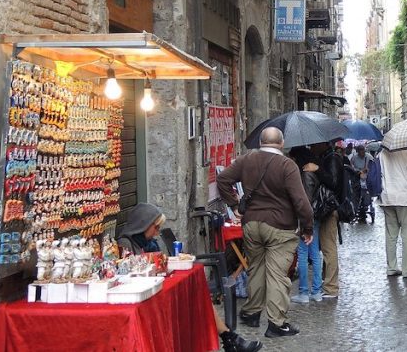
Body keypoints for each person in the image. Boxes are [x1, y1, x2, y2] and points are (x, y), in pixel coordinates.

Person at [118, 203, 262, 352]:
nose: (157, 233)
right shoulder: (126, 244)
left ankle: (229, 338)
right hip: (144, 295)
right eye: (155, 227)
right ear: (144, 225)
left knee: (198, 294)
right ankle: (230, 339)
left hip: (157, 288)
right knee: (194, 297)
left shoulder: (149, 243)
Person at [218, 127, 313, 338]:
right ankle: (277, 324)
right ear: (281, 143)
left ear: (261, 142)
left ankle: (252, 313)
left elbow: (223, 179)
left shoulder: (246, 160)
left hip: (252, 224)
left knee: (256, 268)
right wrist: (307, 227)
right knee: (278, 275)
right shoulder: (287, 165)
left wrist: (234, 204)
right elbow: (301, 201)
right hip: (280, 226)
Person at [378, 146, 407, 278]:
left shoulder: (381, 154)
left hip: (387, 198)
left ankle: (391, 267)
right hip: (405, 197)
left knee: (391, 235)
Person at [288, 148, 323, 305]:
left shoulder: (305, 175)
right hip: (314, 217)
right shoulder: (312, 173)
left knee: (304, 253)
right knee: (314, 253)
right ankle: (316, 291)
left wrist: (303, 222)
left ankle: (304, 292)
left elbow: (305, 202)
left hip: (307, 218)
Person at [310, 140, 342, 299]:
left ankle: (331, 287)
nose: (312, 147)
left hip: (330, 209)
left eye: (314, 144)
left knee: (329, 248)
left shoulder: (332, 158)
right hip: (327, 209)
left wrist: (318, 170)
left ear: (322, 143)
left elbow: (334, 183)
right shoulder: (328, 157)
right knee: (326, 246)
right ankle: (328, 283)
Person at [349, 144, 375, 223]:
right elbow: (351, 167)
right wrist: (357, 171)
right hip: (357, 179)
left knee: (366, 194)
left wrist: (368, 170)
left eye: (363, 151)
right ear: (357, 152)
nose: (362, 153)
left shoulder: (369, 157)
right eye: (360, 151)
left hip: (367, 179)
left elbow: (373, 167)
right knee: (355, 194)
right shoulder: (354, 158)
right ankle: (356, 208)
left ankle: (366, 205)